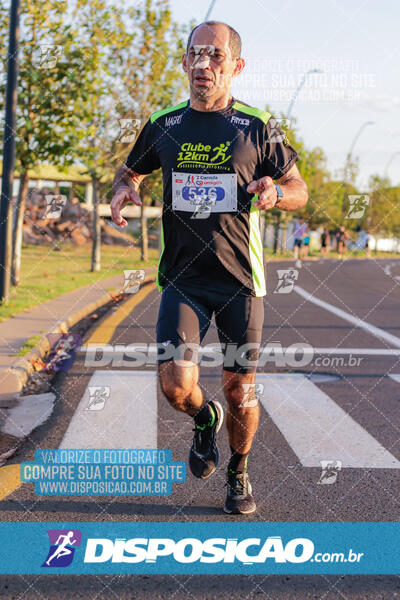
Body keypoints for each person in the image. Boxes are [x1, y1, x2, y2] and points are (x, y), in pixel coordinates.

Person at [110, 21, 308, 514]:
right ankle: (203, 419)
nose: (204, 64)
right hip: (183, 279)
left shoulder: (261, 126)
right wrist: (124, 186)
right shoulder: (164, 124)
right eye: (195, 54)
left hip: (241, 280)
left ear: (235, 66)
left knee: (240, 389)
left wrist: (276, 192)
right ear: (184, 63)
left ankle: (238, 473)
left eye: (215, 56)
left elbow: (299, 189)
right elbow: (130, 167)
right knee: (177, 386)